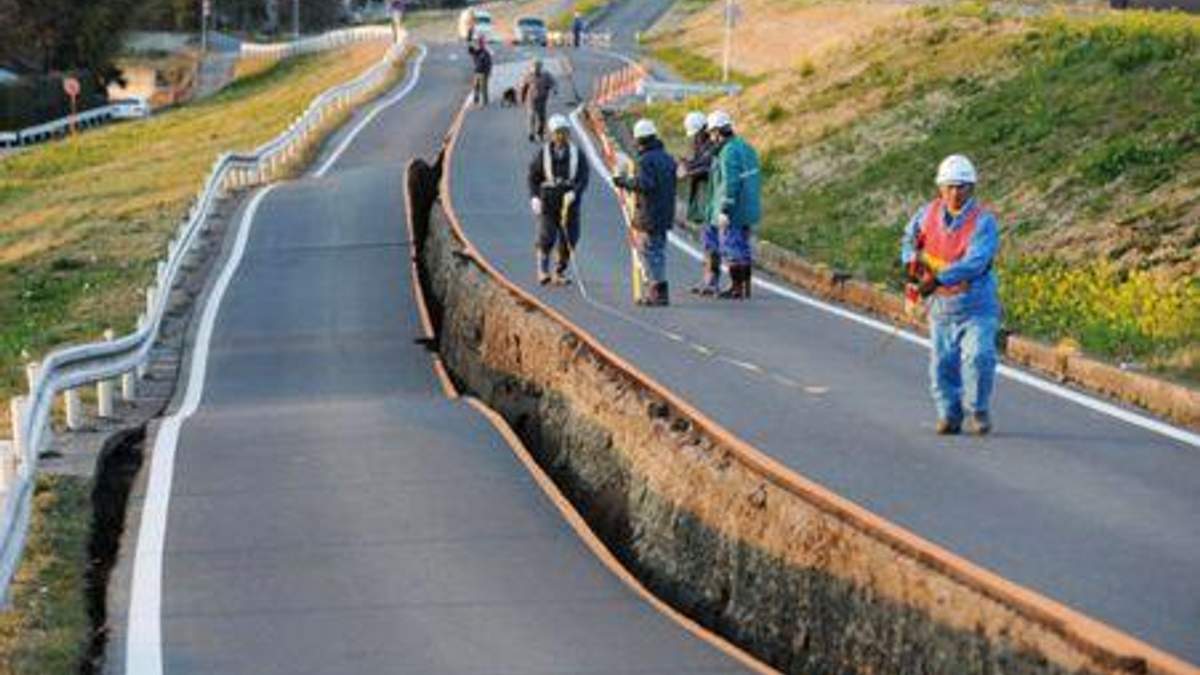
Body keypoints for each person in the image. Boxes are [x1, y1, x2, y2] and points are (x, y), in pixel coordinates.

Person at [900, 154, 1002, 436]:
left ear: (972, 188)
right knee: (942, 366)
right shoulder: (926, 214)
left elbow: (976, 262)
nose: (955, 192)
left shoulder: (983, 222)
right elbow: (909, 241)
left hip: (976, 305)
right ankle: (949, 414)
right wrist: (912, 269)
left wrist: (939, 279)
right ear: (940, 188)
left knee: (979, 357)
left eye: (962, 186)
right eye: (950, 187)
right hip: (941, 308)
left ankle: (978, 409)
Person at [613, 119, 678, 306]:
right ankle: (659, 291)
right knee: (658, 251)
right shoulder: (667, 158)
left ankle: (656, 291)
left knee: (649, 252)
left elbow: (646, 184)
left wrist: (625, 182)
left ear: (639, 140)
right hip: (665, 211)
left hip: (650, 213)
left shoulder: (645, 160)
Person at [528, 114, 589, 285]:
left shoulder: (578, 154)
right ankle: (543, 270)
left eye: (565, 132)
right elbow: (533, 177)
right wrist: (534, 197)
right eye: (558, 132)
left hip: (570, 203)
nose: (561, 136)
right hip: (549, 201)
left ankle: (559, 270)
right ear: (551, 134)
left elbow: (583, 178)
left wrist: (575, 192)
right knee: (547, 235)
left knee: (570, 238)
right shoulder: (544, 154)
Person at [705, 110, 761, 299]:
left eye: (712, 134)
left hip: (735, 208)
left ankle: (736, 288)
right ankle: (745, 287)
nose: (711, 139)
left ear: (718, 132)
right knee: (743, 246)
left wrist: (724, 209)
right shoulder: (746, 147)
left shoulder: (727, 152)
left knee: (732, 246)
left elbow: (730, 182)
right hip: (749, 205)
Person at [679, 111, 719, 295]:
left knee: (710, 241)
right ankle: (707, 279)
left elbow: (706, 166)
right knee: (706, 241)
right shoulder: (701, 146)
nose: (694, 138)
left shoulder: (711, 146)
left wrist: (688, 170)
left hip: (710, 199)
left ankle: (711, 280)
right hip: (704, 199)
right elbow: (698, 163)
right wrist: (687, 164)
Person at [519, 59, 557, 143]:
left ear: (541, 67)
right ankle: (531, 133)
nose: (536, 68)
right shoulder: (528, 75)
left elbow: (553, 83)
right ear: (531, 67)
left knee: (541, 117)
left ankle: (539, 132)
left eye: (538, 66)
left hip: (542, 99)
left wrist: (554, 89)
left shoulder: (546, 75)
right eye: (534, 66)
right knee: (531, 115)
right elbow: (523, 87)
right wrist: (522, 98)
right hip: (531, 99)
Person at [467, 36, 492, 106]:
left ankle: (485, 101)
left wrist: (488, 72)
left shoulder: (485, 53)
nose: (479, 45)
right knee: (476, 87)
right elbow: (470, 51)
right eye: (478, 43)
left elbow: (488, 64)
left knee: (483, 88)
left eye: (480, 43)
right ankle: (476, 101)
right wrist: (470, 44)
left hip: (483, 73)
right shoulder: (476, 52)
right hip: (476, 72)